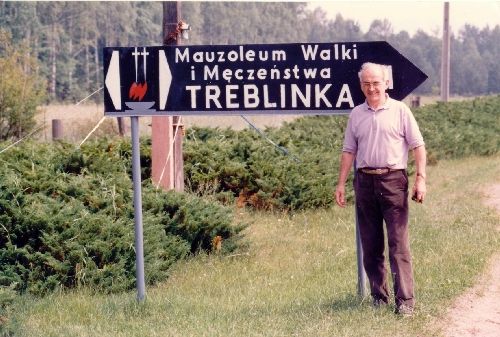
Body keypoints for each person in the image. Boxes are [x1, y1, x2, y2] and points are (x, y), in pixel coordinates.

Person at [334, 62, 427, 316]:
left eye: (376, 83)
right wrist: (341, 183)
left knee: (398, 244)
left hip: (393, 181)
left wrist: (421, 178)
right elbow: (348, 151)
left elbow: (418, 146)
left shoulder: (400, 111)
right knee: (371, 244)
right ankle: (379, 297)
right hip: (364, 182)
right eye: (366, 84)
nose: (371, 88)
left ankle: (405, 302)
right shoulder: (356, 114)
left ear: (386, 83)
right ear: (361, 85)